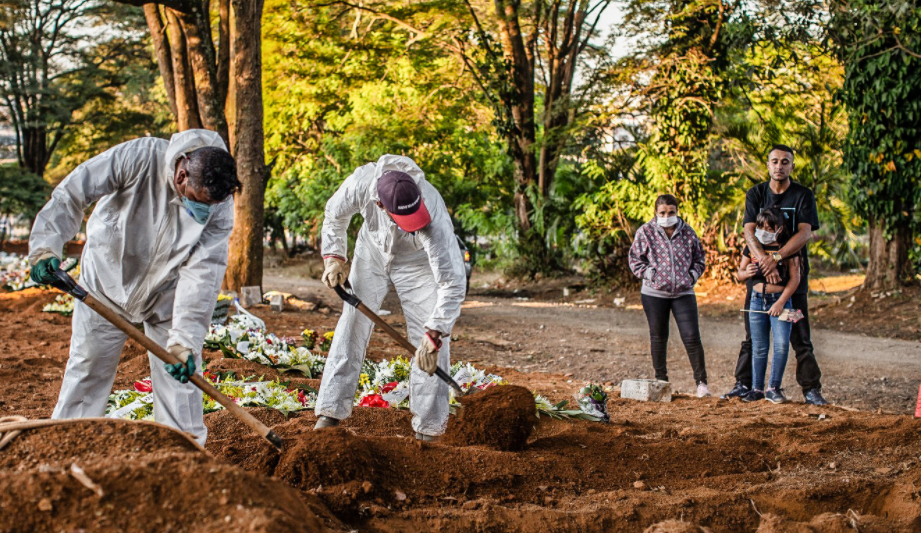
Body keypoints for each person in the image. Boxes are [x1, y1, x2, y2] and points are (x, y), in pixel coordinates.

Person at [28, 130, 240, 445]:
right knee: (87, 374)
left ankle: (185, 456)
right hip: (105, 283)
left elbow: (203, 274)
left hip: (166, 298)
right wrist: (46, 247)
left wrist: (183, 342)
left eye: (211, 206)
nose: (204, 213)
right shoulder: (140, 157)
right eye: (198, 203)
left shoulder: (219, 207)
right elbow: (76, 189)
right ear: (181, 175)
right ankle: (66, 444)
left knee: (180, 383)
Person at [313, 154, 466, 441]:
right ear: (380, 205)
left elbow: (452, 281)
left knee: (432, 342)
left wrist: (435, 331)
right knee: (352, 322)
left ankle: (430, 427)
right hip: (371, 251)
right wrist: (334, 258)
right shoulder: (360, 183)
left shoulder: (431, 211)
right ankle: (330, 410)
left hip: (418, 264)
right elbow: (335, 214)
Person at [721, 144, 827, 405]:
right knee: (752, 338)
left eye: (785, 162)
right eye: (775, 161)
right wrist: (762, 261)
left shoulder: (803, 195)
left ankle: (811, 389)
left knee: (800, 337)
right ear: (767, 164)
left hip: (792, 285)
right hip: (758, 284)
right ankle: (744, 384)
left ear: (792, 165)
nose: (779, 166)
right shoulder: (755, 194)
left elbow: (804, 233)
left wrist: (776, 258)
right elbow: (748, 232)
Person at [628, 194, 710, 398]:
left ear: (677, 212)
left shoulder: (688, 233)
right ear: (656, 212)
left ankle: (702, 384)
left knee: (691, 337)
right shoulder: (645, 232)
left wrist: (692, 276)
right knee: (658, 337)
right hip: (653, 294)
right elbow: (634, 259)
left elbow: (700, 258)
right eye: (662, 212)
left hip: (683, 293)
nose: (667, 216)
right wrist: (649, 274)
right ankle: (661, 381)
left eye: (671, 212)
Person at [737, 208, 801, 403]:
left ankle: (773, 387)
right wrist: (746, 272)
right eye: (760, 227)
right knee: (759, 347)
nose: (763, 231)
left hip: (781, 301)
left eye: (768, 227)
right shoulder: (752, 248)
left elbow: (795, 279)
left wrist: (781, 302)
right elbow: (739, 274)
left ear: (779, 229)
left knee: (781, 345)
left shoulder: (787, 249)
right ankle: (757, 389)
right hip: (756, 300)